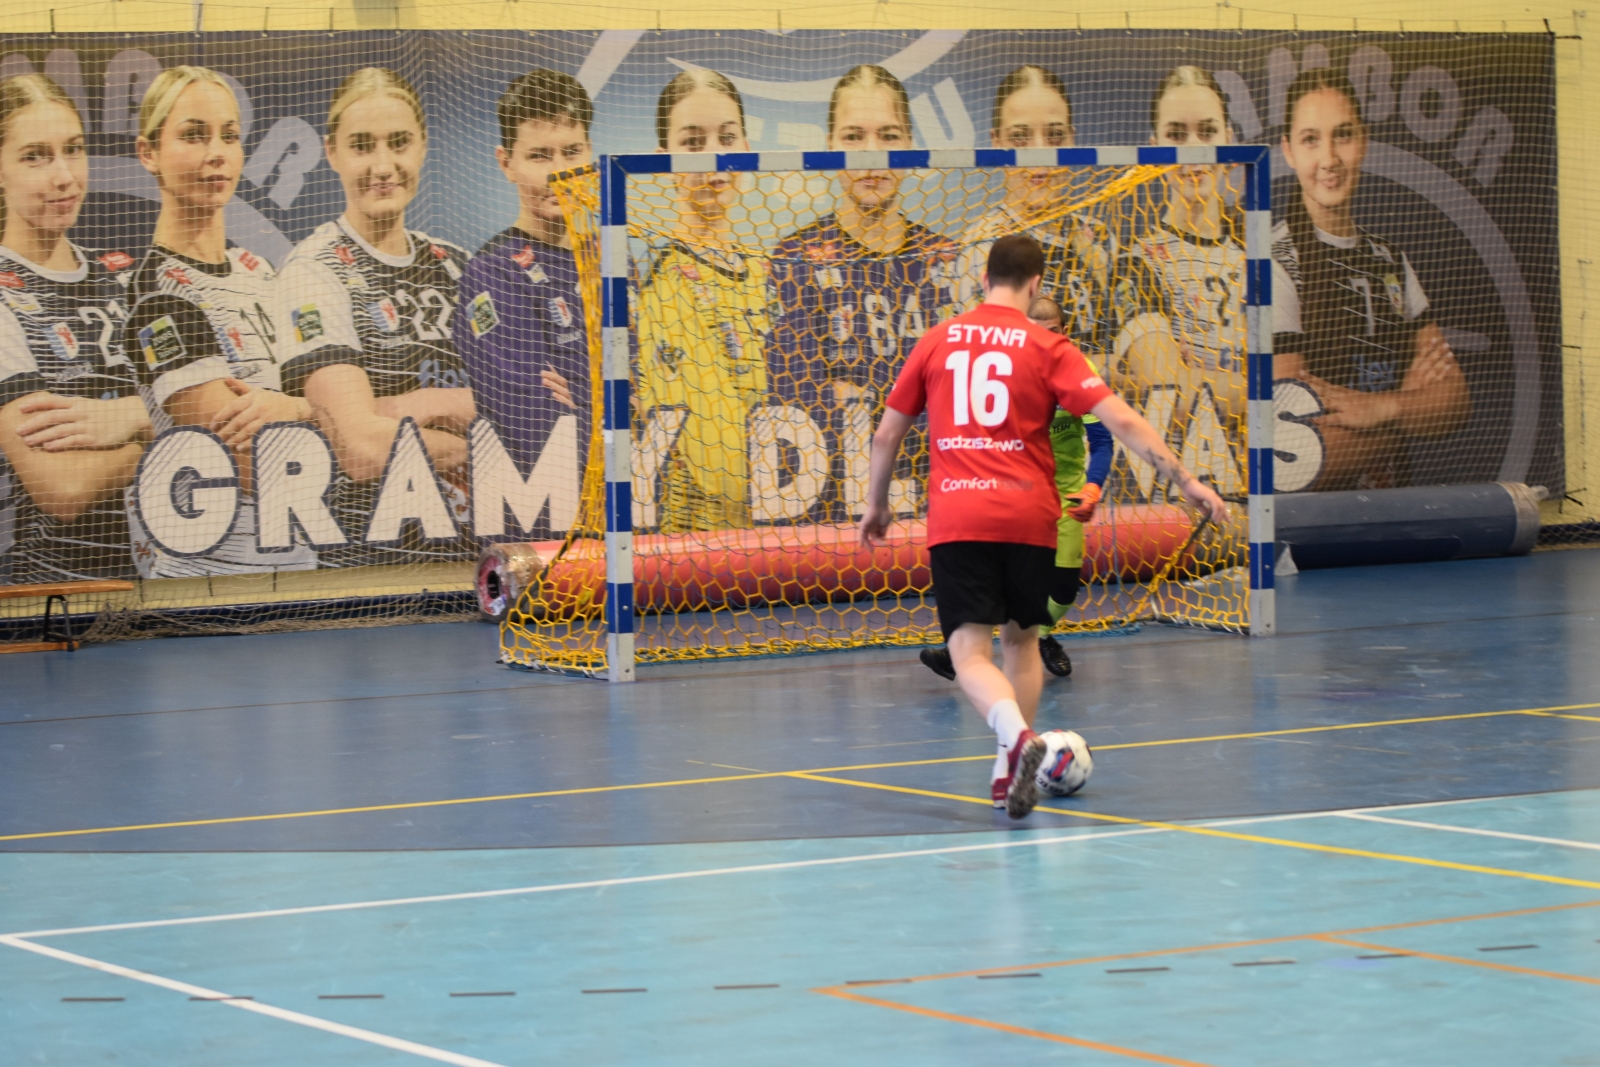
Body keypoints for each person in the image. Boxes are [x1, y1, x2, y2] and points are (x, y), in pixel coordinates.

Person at [860, 234, 1226, 819]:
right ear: (1035, 285)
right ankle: (1011, 766)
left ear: (984, 279)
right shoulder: (1048, 345)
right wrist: (1186, 481)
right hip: (1031, 516)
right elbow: (1120, 419)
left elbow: (886, 436)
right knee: (1022, 642)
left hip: (959, 514)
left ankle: (1017, 739)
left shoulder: (937, 340)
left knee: (968, 651)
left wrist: (876, 505)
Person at [276, 67, 476, 567]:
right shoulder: (314, 271)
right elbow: (361, 448)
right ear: (332, 153)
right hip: (368, 571)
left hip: (472, 558)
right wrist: (479, 444)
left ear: (423, 146)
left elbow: (524, 406)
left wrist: (421, 402)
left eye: (399, 142)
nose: (384, 166)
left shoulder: (458, 265)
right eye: (362, 146)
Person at [123, 66, 315, 577]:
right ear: (148, 153)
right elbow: (254, 465)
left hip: (302, 569)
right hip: (210, 587)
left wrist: (296, 408)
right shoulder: (158, 296)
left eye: (229, 136)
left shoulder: (264, 273)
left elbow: (344, 418)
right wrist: (327, 415)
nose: (217, 153)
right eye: (193, 135)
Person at [769, 63, 959, 520]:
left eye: (888, 136)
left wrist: (859, 397)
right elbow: (796, 397)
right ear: (829, 148)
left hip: (935, 508)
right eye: (854, 137)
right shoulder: (793, 258)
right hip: (828, 517)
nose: (871, 155)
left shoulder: (946, 261)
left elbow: (960, 401)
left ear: (910, 148)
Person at [1273, 67, 1468, 490]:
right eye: (1310, 139)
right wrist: (1406, 412)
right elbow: (1292, 455)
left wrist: (1381, 408)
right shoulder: (1272, 264)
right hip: (1308, 521)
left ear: (1363, 141)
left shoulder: (1390, 260)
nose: (1329, 159)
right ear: (1288, 151)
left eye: (1343, 135)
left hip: (1394, 508)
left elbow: (1455, 401)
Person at [919, 294, 1113, 682]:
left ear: (1065, 332)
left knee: (1063, 589)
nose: (1045, 341)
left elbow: (1102, 440)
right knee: (998, 583)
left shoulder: (1079, 371)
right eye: (1036, 332)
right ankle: (965, 656)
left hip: (1066, 494)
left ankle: (1039, 637)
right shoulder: (1006, 369)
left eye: (1053, 332)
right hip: (1017, 493)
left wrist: (1092, 487)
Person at [0, 73, 146, 584]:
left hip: (169, 585)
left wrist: (130, 415)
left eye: (73, 150)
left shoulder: (127, 279)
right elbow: (62, 488)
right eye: (35, 157)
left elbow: (222, 417)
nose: (64, 176)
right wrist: (162, 434)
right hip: (53, 599)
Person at [453, 69, 591, 541]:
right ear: (506, 163)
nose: (559, 172)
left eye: (572, 152)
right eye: (539, 156)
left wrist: (581, 395)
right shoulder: (491, 274)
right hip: (537, 538)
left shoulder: (613, 263)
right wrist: (604, 400)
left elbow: (649, 395)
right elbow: (537, 423)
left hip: (627, 525)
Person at [634, 69, 768, 532]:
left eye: (726, 139)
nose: (714, 158)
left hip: (778, 529)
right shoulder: (663, 281)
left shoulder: (764, 268)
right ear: (663, 161)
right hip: (701, 541)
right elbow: (702, 444)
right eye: (693, 143)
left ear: (746, 150)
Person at [1111, 66, 1248, 460]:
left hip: (1267, 471)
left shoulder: (1260, 252)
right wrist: (1263, 386)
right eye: (1176, 135)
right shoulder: (1136, 264)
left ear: (1230, 143)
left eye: (1207, 132)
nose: (1192, 149)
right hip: (1183, 476)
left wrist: (1202, 379)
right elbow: (1170, 391)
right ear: (1154, 150)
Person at [955, 65, 1112, 354]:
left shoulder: (1099, 239)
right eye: (1020, 138)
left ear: (1072, 140)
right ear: (996, 144)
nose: (1040, 152)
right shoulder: (980, 250)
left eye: (1055, 136)